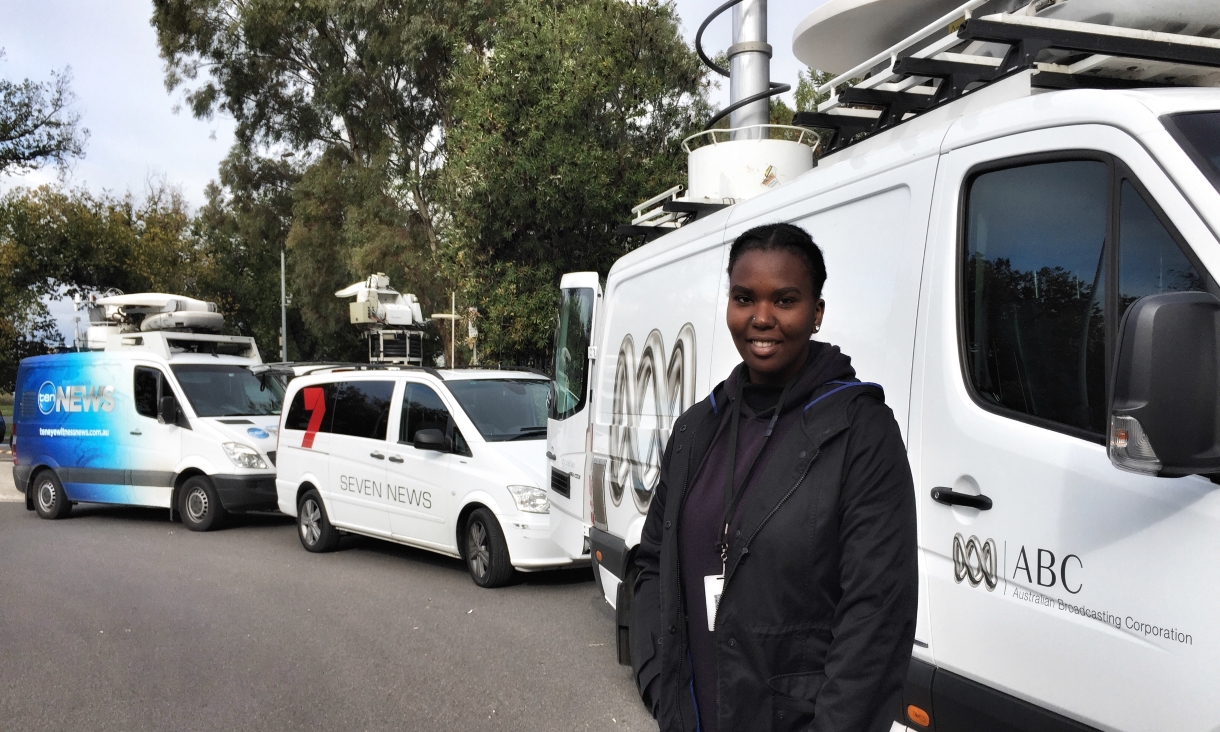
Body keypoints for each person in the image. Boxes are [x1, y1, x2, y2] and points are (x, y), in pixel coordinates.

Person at [632, 223, 917, 732]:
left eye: (785, 300)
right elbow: (652, 561)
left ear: (816, 313)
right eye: (744, 298)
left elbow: (876, 616)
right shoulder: (697, 428)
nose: (761, 318)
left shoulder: (861, 431)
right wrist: (657, 678)